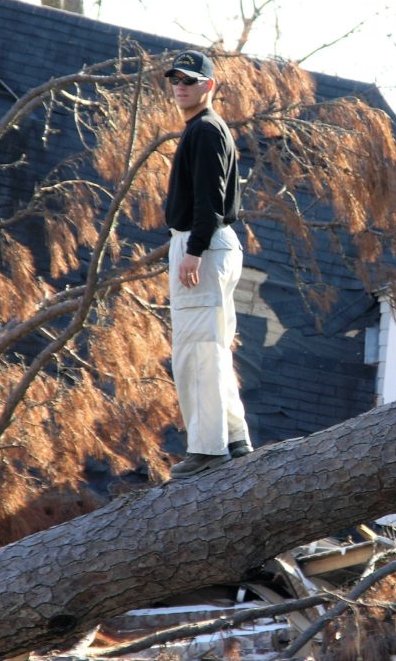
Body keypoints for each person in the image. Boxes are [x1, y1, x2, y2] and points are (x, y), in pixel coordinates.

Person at [162, 49, 252, 479]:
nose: (181, 86)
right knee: (210, 349)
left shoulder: (207, 130)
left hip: (204, 245)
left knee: (196, 352)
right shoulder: (203, 130)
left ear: (209, 86)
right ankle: (234, 440)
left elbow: (210, 201)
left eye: (190, 80)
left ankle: (208, 451)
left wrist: (194, 251)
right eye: (176, 79)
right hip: (213, 245)